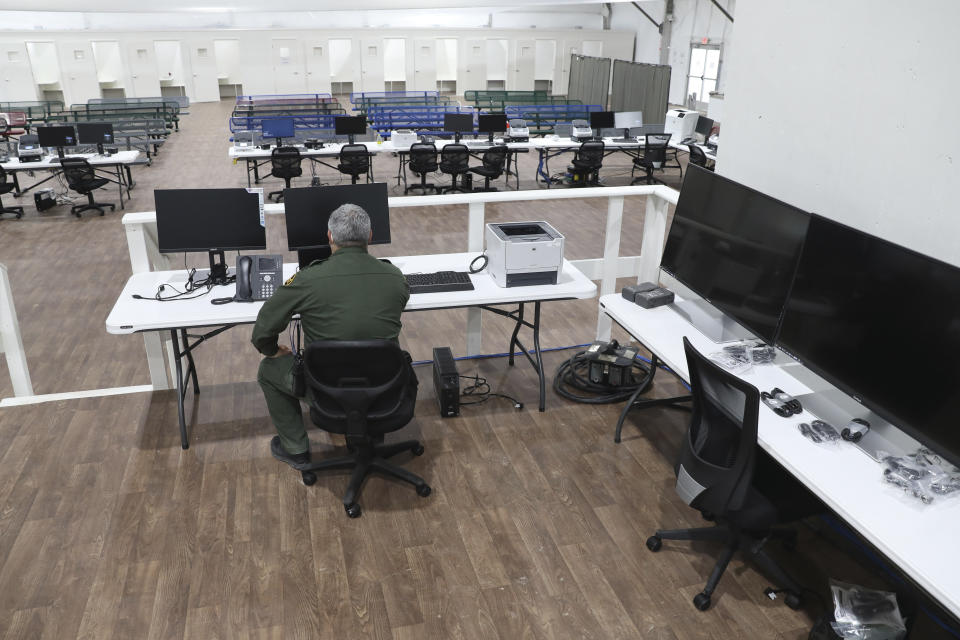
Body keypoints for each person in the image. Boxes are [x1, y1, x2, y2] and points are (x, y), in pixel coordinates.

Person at [251, 203, 411, 467]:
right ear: (370, 236)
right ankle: (370, 434)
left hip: (325, 392)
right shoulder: (394, 277)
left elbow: (262, 331)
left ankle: (296, 449)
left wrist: (271, 350)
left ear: (329, 237)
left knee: (268, 370)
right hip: (385, 389)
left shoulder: (307, 279)